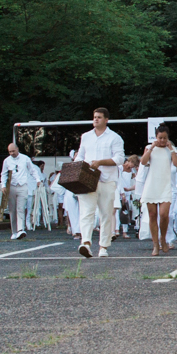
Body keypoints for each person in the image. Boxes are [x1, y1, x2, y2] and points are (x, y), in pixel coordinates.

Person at [72, 107, 125, 258]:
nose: (96, 119)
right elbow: (80, 156)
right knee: (86, 212)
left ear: (106, 120)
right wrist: (79, 166)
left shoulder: (114, 137)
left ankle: (103, 247)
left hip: (107, 180)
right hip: (88, 180)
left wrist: (100, 162)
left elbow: (119, 159)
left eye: (99, 117)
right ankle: (86, 243)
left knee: (106, 214)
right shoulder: (86, 136)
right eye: (94, 117)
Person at [141, 126, 177, 255]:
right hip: (152, 185)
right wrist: (151, 148)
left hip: (166, 185)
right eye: (160, 138)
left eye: (164, 138)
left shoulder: (170, 149)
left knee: (164, 215)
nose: (162, 140)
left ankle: (163, 238)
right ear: (156, 137)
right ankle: (155, 244)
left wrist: (171, 150)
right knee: (152, 215)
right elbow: (143, 162)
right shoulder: (149, 148)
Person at [0, 142, 39, 240]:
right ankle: (14, 231)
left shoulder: (25, 159)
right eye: (10, 152)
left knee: (21, 208)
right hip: (11, 186)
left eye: (13, 151)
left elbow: (32, 170)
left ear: (17, 149)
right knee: (12, 210)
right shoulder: (7, 161)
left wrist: (38, 179)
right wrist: (3, 185)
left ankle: (21, 229)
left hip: (23, 186)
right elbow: (3, 174)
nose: (12, 153)